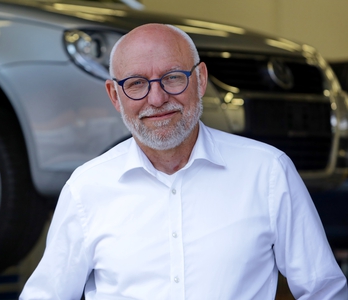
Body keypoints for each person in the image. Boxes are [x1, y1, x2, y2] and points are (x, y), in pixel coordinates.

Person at [19, 23, 348, 299]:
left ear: (200, 80)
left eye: (173, 77)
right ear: (114, 96)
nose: (158, 98)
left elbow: (324, 290)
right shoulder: (86, 188)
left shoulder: (267, 172)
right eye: (136, 84)